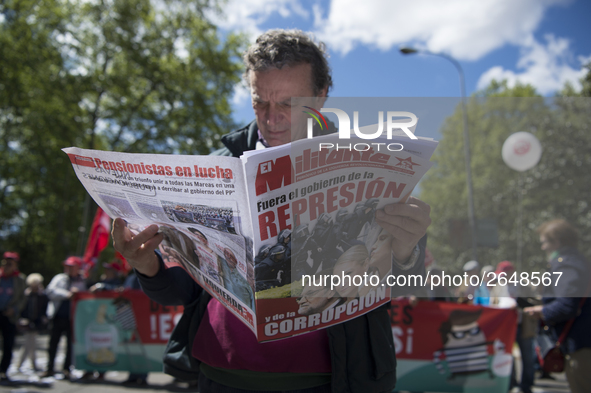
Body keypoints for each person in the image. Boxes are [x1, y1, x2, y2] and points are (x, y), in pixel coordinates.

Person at [112, 29, 431, 392]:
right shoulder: (216, 167)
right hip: (221, 377)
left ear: (322, 95)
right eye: (260, 102)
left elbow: (402, 282)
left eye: (288, 104)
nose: (271, 117)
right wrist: (146, 265)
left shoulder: (367, 164)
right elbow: (182, 293)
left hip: (328, 381)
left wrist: (407, 251)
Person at [524, 219, 591, 393]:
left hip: (581, 345)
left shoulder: (565, 265)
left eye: (544, 242)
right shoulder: (578, 261)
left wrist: (542, 311)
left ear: (557, 241)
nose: (543, 247)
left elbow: (567, 305)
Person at [42, 256, 88, 379]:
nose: (68, 268)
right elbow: (50, 291)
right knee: (53, 344)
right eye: (67, 266)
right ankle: (49, 368)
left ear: (78, 268)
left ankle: (66, 368)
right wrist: (67, 294)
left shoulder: (82, 280)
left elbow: (85, 296)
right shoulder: (59, 278)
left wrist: (77, 293)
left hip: (72, 319)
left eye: (72, 266)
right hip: (57, 316)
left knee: (70, 345)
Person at [0, 251, 27, 382]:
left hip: (9, 316)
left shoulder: (20, 279)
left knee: (8, 344)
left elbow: (23, 298)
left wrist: (14, 309)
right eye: (6, 262)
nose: (8, 265)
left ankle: (3, 371)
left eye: (11, 263)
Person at [18, 273, 49, 372]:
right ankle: (23, 363)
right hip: (27, 321)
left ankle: (28, 363)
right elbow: (23, 308)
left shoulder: (43, 296)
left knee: (31, 343)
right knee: (29, 343)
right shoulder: (26, 294)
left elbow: (44, 309)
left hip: (37, 322)